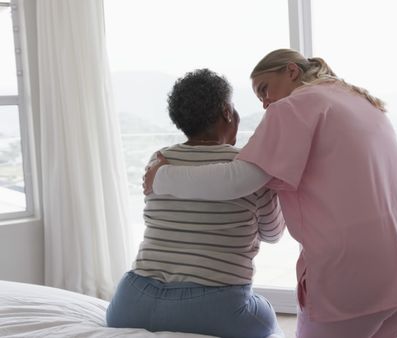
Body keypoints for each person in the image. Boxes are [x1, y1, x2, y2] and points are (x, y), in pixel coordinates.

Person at [144, 49, 397, 338]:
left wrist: (161, 177)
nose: (265, 103)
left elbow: (237, 180)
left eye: (264, 89)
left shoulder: (294, 106)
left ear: (291, 71)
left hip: (362, 272)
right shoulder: (357, 99)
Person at [107, 69, 286, 338]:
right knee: (267, 318)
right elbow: (272, 234)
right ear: (227, 111)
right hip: (212, 306)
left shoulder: (159, 161)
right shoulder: (247, 169)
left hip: (130, 302)